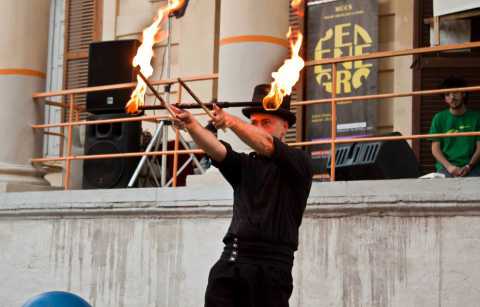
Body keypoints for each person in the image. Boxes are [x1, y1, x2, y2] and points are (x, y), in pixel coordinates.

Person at [172, 84, 313, 307]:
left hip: (270, 273)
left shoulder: (299, 163)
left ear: (285, 127)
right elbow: (217, 149)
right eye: (254, 123)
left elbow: (267, 144)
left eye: (266, 122)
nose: (258, 127)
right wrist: (191, 124)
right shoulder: (245, 165)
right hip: (231, 263)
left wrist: (231, 121)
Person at [429, 76, 480, 177]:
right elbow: (435, 148)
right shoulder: (439, 118)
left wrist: (469, 166)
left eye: (455, 92)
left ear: (464, 93)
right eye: (447, 94)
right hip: (446, 168)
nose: (452, 97)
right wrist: (449, 167)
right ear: (445, 99)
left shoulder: (477, 117)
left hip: (472, 167)